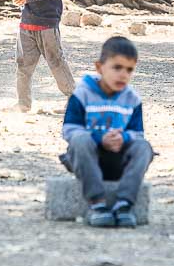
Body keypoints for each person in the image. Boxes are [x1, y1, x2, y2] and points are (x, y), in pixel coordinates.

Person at [61, 36, 152, 228]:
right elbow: (70, 129)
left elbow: (137, 133)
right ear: (99, 67)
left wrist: (123, 137)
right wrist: (99, 139)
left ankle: (123, 204)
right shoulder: (82, 94)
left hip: (118, 160)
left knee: (144, 147)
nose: (123, 75)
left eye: (129, 70)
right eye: (117, 67)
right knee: (80, 140)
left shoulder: (132, 99)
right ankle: (98, 204)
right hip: (86, 158)